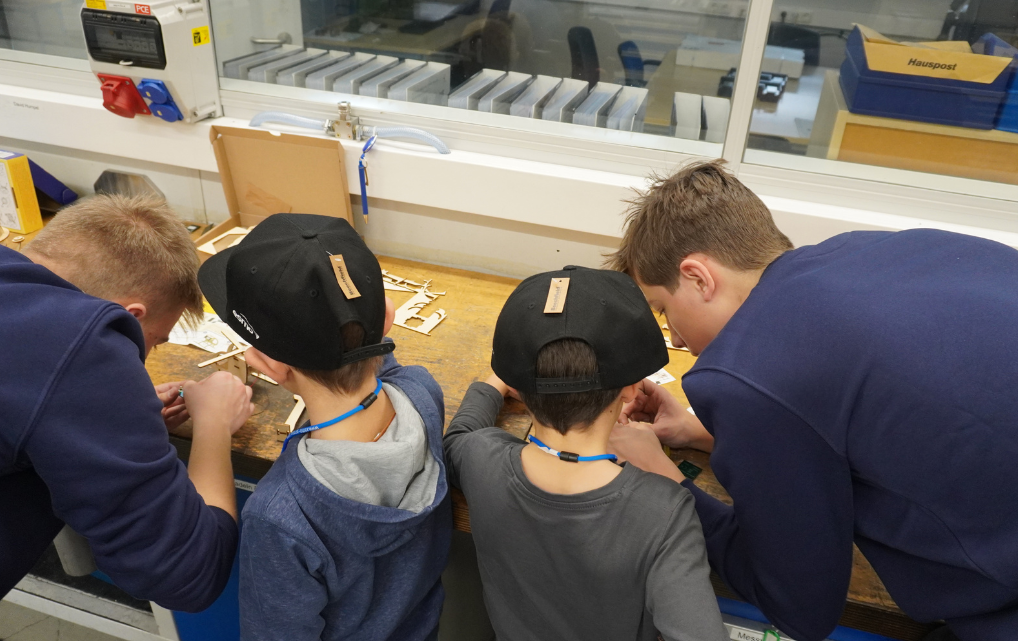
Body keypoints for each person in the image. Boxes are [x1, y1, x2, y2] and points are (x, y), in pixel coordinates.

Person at [605, 160, 1018, 641]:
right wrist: (705, 434)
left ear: (699, 277)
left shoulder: (747, 375)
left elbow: (801, 607)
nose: (674, 336)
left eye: (663, 310)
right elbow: (874, 419)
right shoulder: (872, 247)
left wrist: (666, 481)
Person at [198, 214, 450, 641]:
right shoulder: (422, 396)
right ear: (387, 320)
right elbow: (385, 370)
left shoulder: (280, 515)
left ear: (270, 365)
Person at [444, 266, 728, 641]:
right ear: (632, 389)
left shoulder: (482, 462)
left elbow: (458, 437)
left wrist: (494, 383)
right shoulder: (664, 513)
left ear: (520, 388)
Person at [0, 194, 253, 611]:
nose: (144, 356)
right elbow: (189, 576)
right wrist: (215, 425)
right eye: (153, 341)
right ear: (130, 316)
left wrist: (104, 422)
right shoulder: (82, 341)